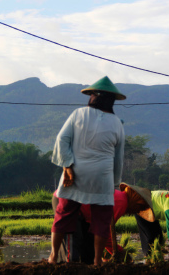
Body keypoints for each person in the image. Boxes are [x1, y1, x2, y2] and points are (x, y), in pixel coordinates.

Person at [49, 76, 126, 266]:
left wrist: (67, 166)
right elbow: (118, 158)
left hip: (75, 173)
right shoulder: (117, 123)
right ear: (111, 100)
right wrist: (114, 183)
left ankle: (52, 257)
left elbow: (61, 140)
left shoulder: (78, 114)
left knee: (63, 214)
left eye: (92, 94)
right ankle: (98, 260)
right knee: (101, 221)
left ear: (94, 97)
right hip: (102, 177)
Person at [53, 183, 154, 264]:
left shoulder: (120, 199)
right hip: (68, 202)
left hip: (83, 213)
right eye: (140, 208)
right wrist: (120, 252)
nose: (137, 211)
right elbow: (104, 232)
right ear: (136, 202)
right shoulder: (121, 202)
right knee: (72, 248)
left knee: (88, 253)